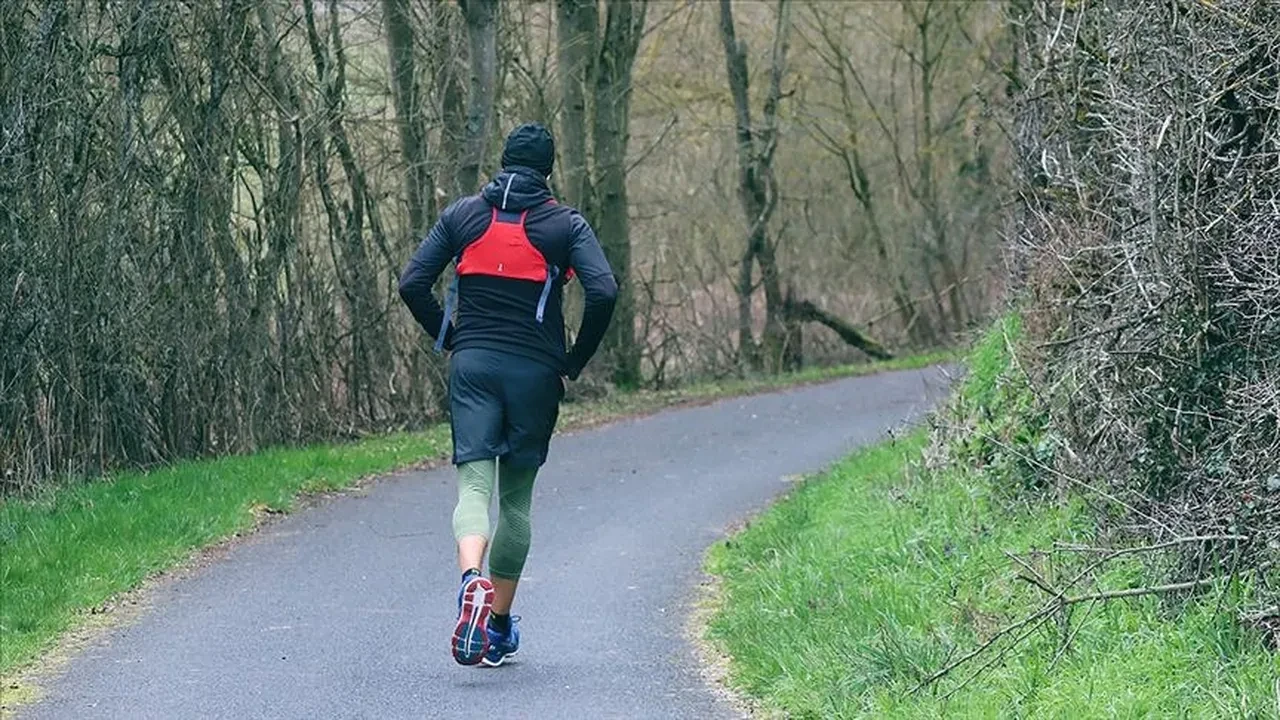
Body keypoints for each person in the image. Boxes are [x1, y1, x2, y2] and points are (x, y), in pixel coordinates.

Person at [397, 122, 618, 667]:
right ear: (548, 170)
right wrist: (575, 359)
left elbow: (411, 282)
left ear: (502, 162)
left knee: (473, 484)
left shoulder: (464, 215)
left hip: (472, 364)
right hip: (536, 373)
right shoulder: (565, 224)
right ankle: (496, 627)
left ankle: (470, 577)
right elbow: (604, 289)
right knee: (515, 502)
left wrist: (448, 336)